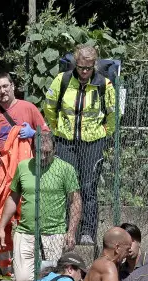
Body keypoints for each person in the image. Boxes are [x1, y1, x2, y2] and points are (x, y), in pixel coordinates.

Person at [44, 45, 115, 245]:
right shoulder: (63, 80)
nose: (84, 72)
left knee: (88, 187)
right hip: (65, 141)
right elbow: (49, 107)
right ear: (76, 63)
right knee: (67, 186)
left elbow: (113, 114)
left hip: (92, 143)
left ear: (95, 65)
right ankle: (65, 229)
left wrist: (104, 134)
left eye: (88, 68)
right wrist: (56, 128)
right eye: (81, 67)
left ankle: (87, 232)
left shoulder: (104, 85)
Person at [0, 72, 50, 276]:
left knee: (27, 220)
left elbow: (47, 137)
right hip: (1, 175)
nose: (2, 91)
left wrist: (35, 134)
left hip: (27, 174)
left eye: (5, 86)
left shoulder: (28, 108)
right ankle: (7, 270)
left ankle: (29, 266)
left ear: (13, 86)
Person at [0, 132, 82, 281]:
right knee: (22, 279)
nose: (42, 157)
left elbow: (75, 201)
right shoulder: (23, 167)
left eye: (47, 153)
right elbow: (13, 198)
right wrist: (1, 227)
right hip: (25, 231)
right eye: (39, 152)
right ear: (32, 149)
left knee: (51, 279)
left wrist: (71, 232)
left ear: (55, 150)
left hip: (54, 232)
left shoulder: (66, 169)